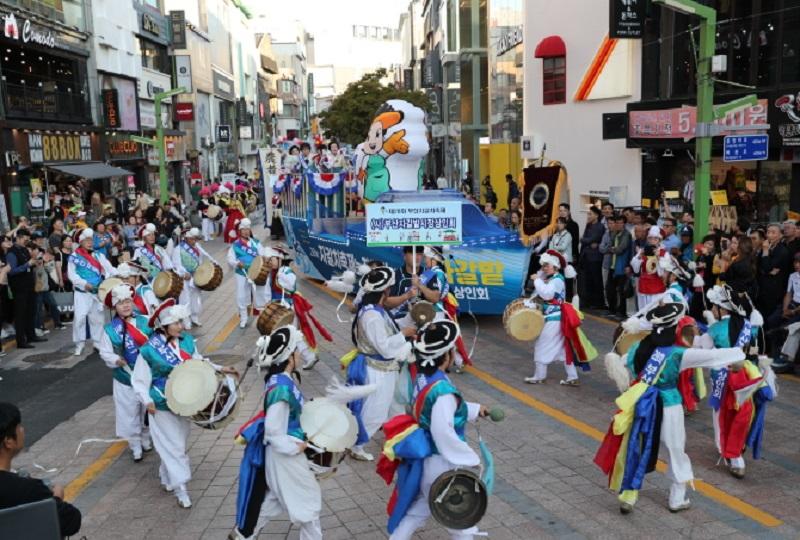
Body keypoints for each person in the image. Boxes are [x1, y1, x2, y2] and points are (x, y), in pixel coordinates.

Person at [595, 304, 745, 515]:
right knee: (675, 450)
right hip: (669, 406)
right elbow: (711, 358)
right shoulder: (677, 354)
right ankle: (677, 498)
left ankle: (628, 495)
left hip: (643, 404)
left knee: (637, 446)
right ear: (673, 327)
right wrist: (739, 355)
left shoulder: (638, 348)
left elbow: (621, 362)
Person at [379, 320, 489, 539]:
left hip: (427, 459)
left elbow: (436, 411)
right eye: (453, 350)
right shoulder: (443, 390)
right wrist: (469, 457)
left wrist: (475, 410)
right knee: (456, 513)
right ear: (446, 356)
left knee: (420, 510)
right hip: (441, 461)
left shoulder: (423, 377)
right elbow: (442, 430)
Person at [132, 299, 237, 508]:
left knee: (176, 441)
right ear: (164, 326)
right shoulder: (149, 350)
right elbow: (139, 380)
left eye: (181, 322)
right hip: (161, 403)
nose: (181, 326)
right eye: (177, 323)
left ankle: (166, 475)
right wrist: (147, 400)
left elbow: (199, 362)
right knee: (176, 447)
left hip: (186, 400)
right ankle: (182, 489)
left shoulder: (187, 341)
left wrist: (220, 368)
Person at [230, 326, 323, 540]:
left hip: (281, 456)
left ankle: (243, 535)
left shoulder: (280, 380)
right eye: (297, 350)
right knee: (308, 508)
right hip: (285, 456)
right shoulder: (281, 388)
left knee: (275, 500)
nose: (300, 354)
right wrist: (295, 447)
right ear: (289, 357)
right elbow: (272, 432)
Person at [700, 285, 773, 480]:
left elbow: (704, 349)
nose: (713, 309)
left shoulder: (715, 329)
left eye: (715, 306)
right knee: (742, 413)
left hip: (722, 376)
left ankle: (725, 449)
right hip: (744, 378)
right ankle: (737, 451)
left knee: (720, 413)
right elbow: (756, 347)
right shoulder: (749, 326)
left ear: (723, 309)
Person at [346, 267, 415, 461]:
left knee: (395, 407)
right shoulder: (372, 316)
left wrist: (410, 320)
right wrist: (404, 335)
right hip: (378, 369)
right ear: (385, 291)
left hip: (384, 369)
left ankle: (399, 440)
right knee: (376, 410)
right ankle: (357, 445)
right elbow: (384, 347)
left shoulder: (375, 310)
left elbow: (390, 329)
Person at [0, 402, 82, 537]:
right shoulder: (27, 489)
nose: (22, 430)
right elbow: (71, 521)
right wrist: (56, 498)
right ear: (8, 441)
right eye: (19, 427)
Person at [98, 284, 153, 462]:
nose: (126, 305)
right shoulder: (110, 330)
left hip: (146, 376)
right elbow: (105, 352)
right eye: (121, 303)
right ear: (115, 306)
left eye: (128, 301)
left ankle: (146, 437)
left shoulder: (145, 321)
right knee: (129, 411)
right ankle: (135, 444)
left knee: (146, 409)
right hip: (125, 377)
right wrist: (116, 360)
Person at [525, 250, 593, 385]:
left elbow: (547, 295)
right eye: (543, 265)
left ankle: (539, 376)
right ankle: (572, 377)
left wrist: (537, 280)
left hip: (553, 319)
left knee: (541, 345)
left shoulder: (556, 280)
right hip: (556, 318)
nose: (544, 268)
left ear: (555, 266)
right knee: (563, 348)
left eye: (547, 265)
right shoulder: (553, 279)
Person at [266, 245, 331, 370]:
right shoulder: (274, 272)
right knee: (290, 334)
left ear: (280, 258)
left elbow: (291, 286)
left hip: (287, 308)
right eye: (269, 259)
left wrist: (281, 276)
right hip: (279, 307)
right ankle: (307, 356)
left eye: (272, 259)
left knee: (289, 334)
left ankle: (296, 358)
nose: (270, 262)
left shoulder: (284, 271)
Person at [68, 228, 116, 356]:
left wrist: (119, 274)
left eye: (91, 240)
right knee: (79, 318)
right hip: (81, 293)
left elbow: (110, 269)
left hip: (97, 293)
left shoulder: (98, 255)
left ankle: (97, 342)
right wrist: (84, 284)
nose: (90, 242)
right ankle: (80, 343)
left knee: (98, 319)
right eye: (87, 240)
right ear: (81, 242)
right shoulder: (74, 256)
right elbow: (71, 275)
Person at [227, 218, 270, 328]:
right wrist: (237, 263)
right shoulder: (235, 245)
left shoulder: (255, 243)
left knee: (259, 293)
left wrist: (265, 258)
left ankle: (262, 316)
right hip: (241, 272)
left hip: (256, 272)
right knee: (242, 295)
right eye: (243, 229)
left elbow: (263, 253)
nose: (246, 231)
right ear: (240, 231)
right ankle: (244, 318)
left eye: (248, 229)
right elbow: (230, 258)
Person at [6, 229, 45, 349]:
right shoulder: (12, 252)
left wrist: (35, 263)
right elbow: (12, 271)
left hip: (29, 285)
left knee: (31, 311)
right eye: (25, 239)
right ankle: (21, 341)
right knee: (21, 314)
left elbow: (29, 265)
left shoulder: (24, 249)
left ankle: (31, 335)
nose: (26, 242)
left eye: (28, 240)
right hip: (19, 287)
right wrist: (27, 264)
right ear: (18, 238)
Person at [172, 227, 216, 329]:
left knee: (196, 298)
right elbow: (176, 264)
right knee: (185, 299)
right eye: (191, 239)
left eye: (195, 238)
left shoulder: (197, 247)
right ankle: (186, 321)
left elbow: (201, 259)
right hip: (185, 278)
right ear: (186, 238)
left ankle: (195, 317)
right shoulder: (178, 249)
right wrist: (184, 273)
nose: (194, 241)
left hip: (196, 276)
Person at [630, 226, 667, 311]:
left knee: (655, 311)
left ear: (659, 240)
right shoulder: (643, 250)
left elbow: (661, 273)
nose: (652, 241)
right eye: (650, 238)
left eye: (655, 238)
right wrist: (639, 256)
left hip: (657, 286)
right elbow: (635, 268)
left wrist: (658, 258)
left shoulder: (664, 253)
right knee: (643, 310)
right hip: (643, 284)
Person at [757, 224, 790, 319]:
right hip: (762, 288)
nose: (769, 235)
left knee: (769, 318)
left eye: (773, 232)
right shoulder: (766, 247)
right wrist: (767, 271)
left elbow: (766, 267)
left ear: (780, 236)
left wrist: (766, 251)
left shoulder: (783, 251)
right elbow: (759, 265)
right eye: (768, 232)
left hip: (774, 292)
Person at [604, 214, 632, 320]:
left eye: (620, 223)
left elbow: (620, 249)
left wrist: (612, 249)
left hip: (621, 267)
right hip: (612, 265)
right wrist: (612, 248)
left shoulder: (626, 235)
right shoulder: (614, 234)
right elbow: (607, 247)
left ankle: (621, 312)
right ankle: (612, 310)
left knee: (621, 290)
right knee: (609, 289)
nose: (618, 225)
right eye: (616, 222)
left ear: (624, 224)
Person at [579, 206, 606, 309]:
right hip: (586, 256)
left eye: (590, 214)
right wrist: (585, 240)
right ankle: (589, 301)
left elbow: (591, 239)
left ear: (596, 215)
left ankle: (598, 303)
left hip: (595, 257)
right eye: (588, 214)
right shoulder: (588, 225)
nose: (588, 216)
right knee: (588, 280)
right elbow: (585, 240)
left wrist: (584, 240)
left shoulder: (600, 226)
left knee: (596, 280)